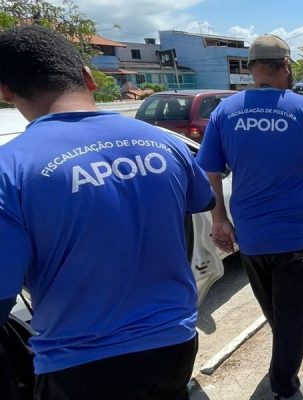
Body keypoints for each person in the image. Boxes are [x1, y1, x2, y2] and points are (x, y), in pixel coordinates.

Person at [0, 25, 215, 399]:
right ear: (88, 78)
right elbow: (201, 203)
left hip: (81, 364)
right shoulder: (166, 143)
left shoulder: (11, 169)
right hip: (174, 342)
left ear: (5, 91)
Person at [197, 34, 303, 400]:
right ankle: (285, 387)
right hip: (298, 239)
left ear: (251, 67)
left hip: (252, 241)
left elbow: (209, 171)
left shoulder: (226, 111)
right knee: (294, 315)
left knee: (276, 309)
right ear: (286, 66)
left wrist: (220, 219)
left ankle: (283, 354)